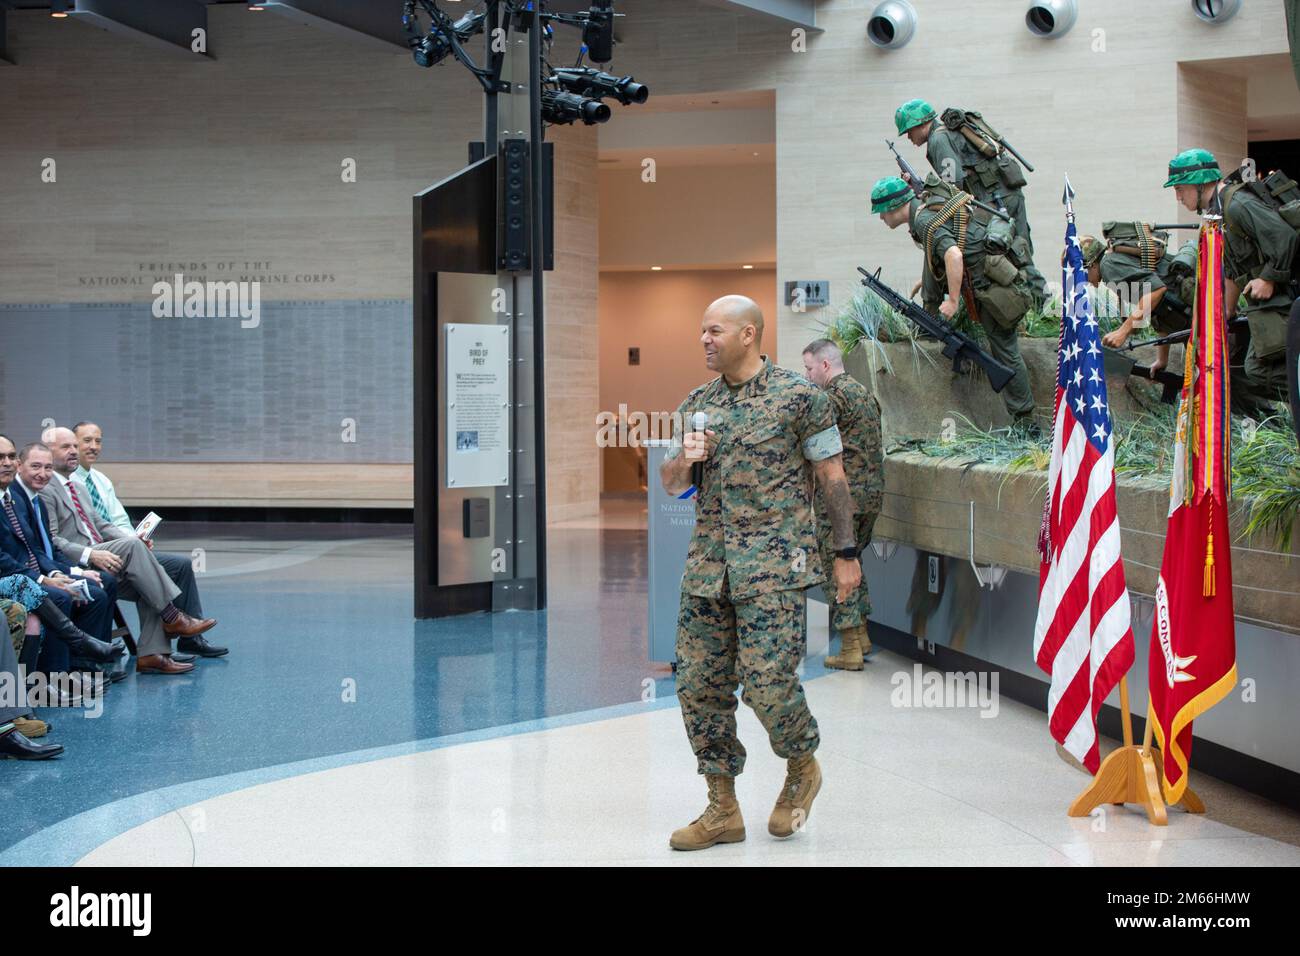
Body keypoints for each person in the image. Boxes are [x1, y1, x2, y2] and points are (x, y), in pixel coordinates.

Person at [660, 294, 863, 851]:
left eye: (716, 331)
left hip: (775, 568)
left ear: (749, 334)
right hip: (708, 570)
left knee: (768, 685)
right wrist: (686, 457)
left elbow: (833, 477)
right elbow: (671, 483)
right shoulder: (696, 403)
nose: (705, 339)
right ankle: (721, 807)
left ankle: (802, 765)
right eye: (702, 331)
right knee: (699, 687)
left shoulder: (801, 399)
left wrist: (846, 553)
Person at [38, 427, 220, 675]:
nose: (73, 452)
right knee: (144, 564)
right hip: (80, 562)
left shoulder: (77, 486)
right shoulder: (45, 490)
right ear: (48, 452)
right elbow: (52, 540)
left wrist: (132, 538)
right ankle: (172, 617)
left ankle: (152, 655)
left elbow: (101, 525)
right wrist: (91, 554)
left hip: (109, 556)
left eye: (73, 446)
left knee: (167, 567)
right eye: (66, 447)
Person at [871, 173, 1038, 431]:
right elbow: (943, 251)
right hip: (987, 284)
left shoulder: (924, 219)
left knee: (1006, 353)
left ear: (894, 206)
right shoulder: (924, 212)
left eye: (882, 212)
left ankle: (1027, 425)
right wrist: (926, 281)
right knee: (1004, 352)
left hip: (994, 290)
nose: (882, 219)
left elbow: (953, 255)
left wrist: (951, 300)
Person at [1165, 148, 1298, 398]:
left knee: (1260, 367)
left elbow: (1284, 237)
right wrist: (1224, 312)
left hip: (1288, 295)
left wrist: (1268, 277)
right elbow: (1233, 267)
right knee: (1261, 367)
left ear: (1200, 183)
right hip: (1275, 303)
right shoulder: (1220, 215)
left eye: (1179, 188)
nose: (1178, 197)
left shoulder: (1236, 204)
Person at [894, 98, 1048, 306]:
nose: (909, 137)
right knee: (1020, 249)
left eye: (909, 131)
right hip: (1006, 195)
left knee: (1012, 252)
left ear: (920, 124)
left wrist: (928, 196)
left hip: (995, 200)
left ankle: (1040, 303)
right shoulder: (949, 133)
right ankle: (1040, 304)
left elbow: (952, 181)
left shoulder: (938, 140)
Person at [0, 436, 120, 672]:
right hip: (14, 577)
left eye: (10, 456)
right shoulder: (18, 498)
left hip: (23, 576)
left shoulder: (10, 500)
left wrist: (61, 572)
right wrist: (45, 579)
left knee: (99, 586)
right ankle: (55, 677)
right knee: (59, 596)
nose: (6, 463)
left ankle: (86, 666)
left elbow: (33, 547)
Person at [801, 339, 884, 670]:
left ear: (824, 366)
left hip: (841, 498)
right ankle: (861, 636)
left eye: (808, 369)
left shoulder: (829, 400)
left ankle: (849, 647)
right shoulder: (863, 392)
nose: (806, 376)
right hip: (871, 494)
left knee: (836, 568)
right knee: (853, 563)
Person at [72, 422, 133, 532]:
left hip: (114, 541)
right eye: (87, 441)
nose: (94, 447)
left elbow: (120, 520)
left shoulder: (102, 480)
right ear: (73, 443)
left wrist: (133, 539)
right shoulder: (65, 480)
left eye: (98, 441)